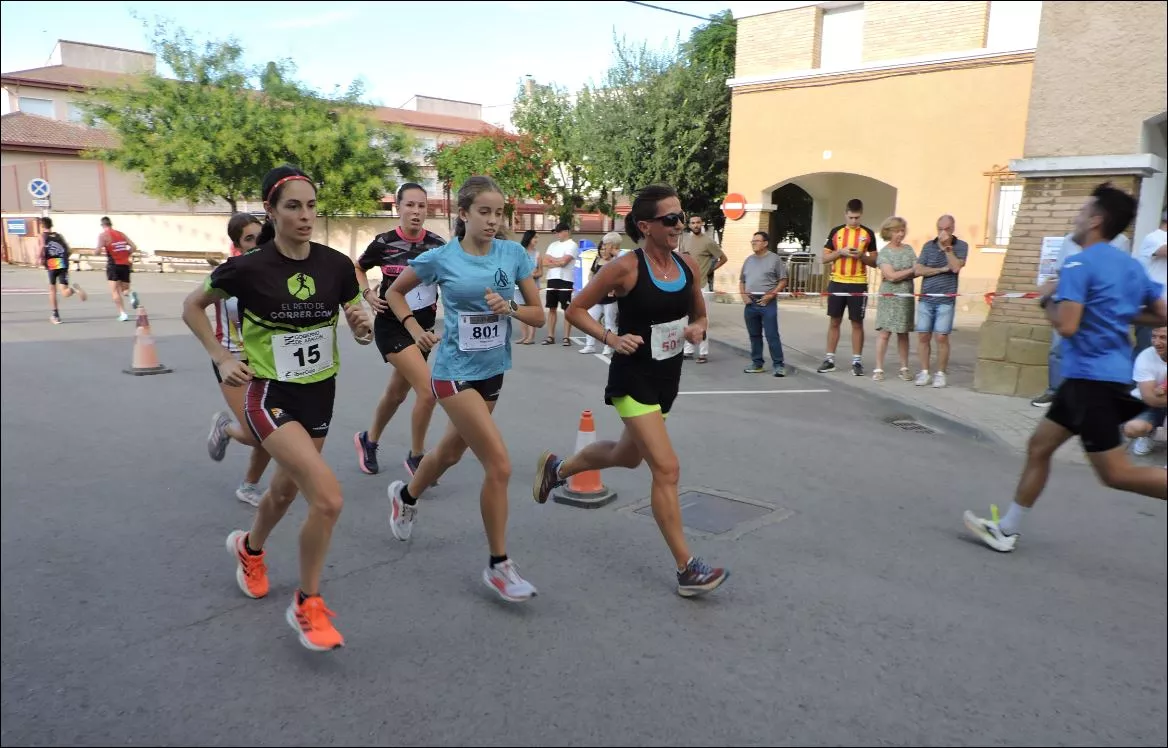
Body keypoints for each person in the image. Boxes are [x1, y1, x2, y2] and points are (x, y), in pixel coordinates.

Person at [182, 166, 372, 650]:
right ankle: (307, 604)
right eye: (293, 206)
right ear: (271, 210)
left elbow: (356, 316)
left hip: (319, 394)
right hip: (270, 395)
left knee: (286, 493)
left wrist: (360, 324)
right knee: (327, 497)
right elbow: (191, 306)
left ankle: (249, 548)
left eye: (311, 205)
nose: (306, 216)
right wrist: (222, 356)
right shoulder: (248, 268)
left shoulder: (333, 264)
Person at [532, 184, 730, 598]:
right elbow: (576, 309)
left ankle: (558, 469)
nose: (678, 225)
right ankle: (686, 568)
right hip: (633, 378)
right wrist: (610, 337)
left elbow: (699, 313)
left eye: (680, 216)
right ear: (645, 226)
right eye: (669, 219)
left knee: (627, 455)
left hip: (667, 377)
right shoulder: (625, 267)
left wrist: (696, 329)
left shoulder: (688, 266)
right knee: (667, 468)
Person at [963, 183, 1168, 554]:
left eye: (1082, 211)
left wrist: (1047, 301)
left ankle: (1007, 528)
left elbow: (1068, 325)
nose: (1075, 217)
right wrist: (1116, 314)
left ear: (1096, 220)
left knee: (1116, 474)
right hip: (1092, 380)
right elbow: (1160, 314)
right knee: (1039, 447)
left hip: (1091, 382)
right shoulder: (1129, 267)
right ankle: (1006, 528)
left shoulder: (1078, 263)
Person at [383, 175, 545, 603]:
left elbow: (539, 316)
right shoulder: (442, 258)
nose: (493, 221)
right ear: (464, 214)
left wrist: (509, 308)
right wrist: (414, 329)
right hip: (453, 373)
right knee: (500, 465)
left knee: (451, 453)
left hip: (493, 371)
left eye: (499, 213)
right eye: (484, 212)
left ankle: (406, 494)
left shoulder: (513, 254)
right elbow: (396, 293)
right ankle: (498, 566)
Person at [352, 183, 445, 477]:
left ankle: (369, 439)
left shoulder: (438, 245)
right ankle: (417, 456)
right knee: (429, 392)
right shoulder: (384, 242)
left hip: (424, 329)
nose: (416, 212)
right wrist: (367, 295)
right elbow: (358, 267)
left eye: (422, 206)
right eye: (410, 205)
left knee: (395, 394)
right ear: (398, 207)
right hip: (393, 327)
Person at [206, 213, 272, 507]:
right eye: (248, 239)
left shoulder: (271, 271)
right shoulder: (229, 274)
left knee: (274, 428)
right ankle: (225, 428)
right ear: (237, 244)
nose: (255, 244)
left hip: (265, 360)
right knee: (258, 433)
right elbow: (191, 310)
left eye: (259, 238)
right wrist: (220, 357)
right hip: (233, 359)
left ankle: (249, 486)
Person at [1030, 229, 1131, 407]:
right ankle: (1055, 392)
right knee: (1058, 349)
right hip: (1068, 301)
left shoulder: (1121, 240)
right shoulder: (1071, 239)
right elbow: (1061, 270)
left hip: (1098, 307)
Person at [816, 199, 878, 376]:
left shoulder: (868, 234)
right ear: (845, 214)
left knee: (857, 323)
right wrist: (840, 252)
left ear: (861, 214)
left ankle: (857, 361)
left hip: (858, 282)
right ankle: (829, 359)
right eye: (851, 217)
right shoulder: (836, 232)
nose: (853, 221)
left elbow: (875, 261)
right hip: (837, 281)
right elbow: (824, 258)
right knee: (834, 321)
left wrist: (862, 256)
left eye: (857, 218)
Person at [912, 215, 968, 388]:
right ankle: (924, 372)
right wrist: (941, 269)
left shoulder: (961, 246)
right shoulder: (928, 246)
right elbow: (919, 269)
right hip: (926, 297)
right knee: (923, 335)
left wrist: (947, 249)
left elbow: (956, 267)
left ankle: (941, 373)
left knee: (941, 336)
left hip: (946, 298)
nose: (943, 233)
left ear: (953, 229)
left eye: (947, 229)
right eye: (940, 229)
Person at [872, 217, 916, 382]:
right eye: (897, 231)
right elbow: (890, 276)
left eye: (902, 231)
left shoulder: (909, 249)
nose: (900, 234)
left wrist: (907, 272)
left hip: (905, 296)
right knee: (885, 332)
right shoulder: (884, 253)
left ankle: (904, 368)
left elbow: (918, 270)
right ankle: (878, 368)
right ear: (889, 232)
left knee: (903, 332)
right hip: (889, 296)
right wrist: (909, 270)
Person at [739, 230, 787, 376]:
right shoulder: (749, 260)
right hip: (750, 302)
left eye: (757, 241)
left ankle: (779, 365)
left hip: (768, 302)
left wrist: (771, 295)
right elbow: (742, 281)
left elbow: (783, 280)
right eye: (752, 241)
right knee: (754, 335)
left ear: (765, 243)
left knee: (772, 335)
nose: (754, 243)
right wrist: (744, 296)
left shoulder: (774, 259)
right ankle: (757, 363)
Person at [679, 215, 726, 363]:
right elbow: (681, 258)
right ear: (689, 225)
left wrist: (710, 270)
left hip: (702, 285)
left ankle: (703, 353)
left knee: (701, 319)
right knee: (687, 319)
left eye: (698, 222)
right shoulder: (685, 240)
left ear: (702, 224)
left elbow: (723, 258)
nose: (696, 225)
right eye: (693, 223)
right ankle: (688, 350)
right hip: (687, 285)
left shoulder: (708, 241)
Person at [1123, 326, 1166, 459]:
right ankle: (1147, 434)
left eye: (1163, 337)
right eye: (1154, 336)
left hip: (1161, 397)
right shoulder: (1146, 356)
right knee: (1132, 428)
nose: (1156, 342)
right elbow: (1150, 398)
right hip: (1150, 405)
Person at [579, 233, 620, 356]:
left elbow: (617, 278)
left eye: (605, 248)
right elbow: (591, 274)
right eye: (601, 249)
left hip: (610, 298)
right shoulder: (597, 260)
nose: (603, 251)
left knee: (609, 322)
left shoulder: (615, 261)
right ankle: (589, 345)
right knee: (590, 320)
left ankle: (608, 347)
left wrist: (613, 288)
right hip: (596, 297)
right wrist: (591, 284)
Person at [40, 217, 87, 324]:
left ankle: (55, 315)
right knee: (65, 292)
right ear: (51, 225)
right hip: (62, 263)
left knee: (52, 290)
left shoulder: (42, 236)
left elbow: (41, 249)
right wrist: (63, 259)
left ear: (42, 226)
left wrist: (40, 259)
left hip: (52, 264)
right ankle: (75, 289)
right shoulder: (59, 236)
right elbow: (68, 250)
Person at [1133, 212, 1167, 357]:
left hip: (1163, 310)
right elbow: (1164, 250)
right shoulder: (1154, 237)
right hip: (1151, 309)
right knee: (1146, 352)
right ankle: (1132, 380)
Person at [542, 222, 578, 346]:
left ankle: (566, 337)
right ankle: (550, 336)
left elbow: (565, 262)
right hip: (552, 279)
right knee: (551, 308)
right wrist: (558, 261)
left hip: (566, 280)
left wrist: (554, 261)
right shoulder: (552, 245)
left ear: (566, 231)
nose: (557, 234)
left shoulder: (572, 245)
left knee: (566, 309)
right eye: (556, 232)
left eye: (559, 231)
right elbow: (545, 262)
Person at [97, 216, 140, 321]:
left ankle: (123, 313)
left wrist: (94, 252)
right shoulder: (121, 234)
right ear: (111, 224)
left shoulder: (103, 235)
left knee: (115, 291)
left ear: (103, 225)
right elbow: (134, 246)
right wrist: (126, 253)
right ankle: (130, 294)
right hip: (125, 264)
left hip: (113, 265)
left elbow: (97, 250)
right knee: (125, 289)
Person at [517, 229, 543, 344]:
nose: (536, 240)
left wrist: (533, 275)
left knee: (531, 310)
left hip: (532, 285)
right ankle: (524, 336)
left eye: (537, 237)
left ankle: (531, 337)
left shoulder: (538, 254)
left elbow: (541, 272)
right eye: (534, 237)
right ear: (529, 238)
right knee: (521, 311)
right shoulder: (520, 251)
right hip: (519, 285)